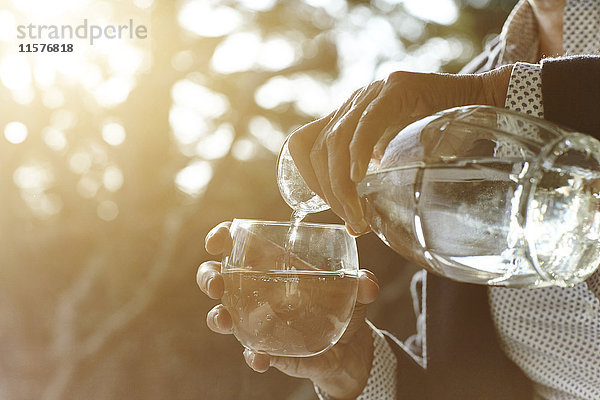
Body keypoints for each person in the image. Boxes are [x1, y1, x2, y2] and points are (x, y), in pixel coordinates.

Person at [198, 0, 600, 398]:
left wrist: (497, 94)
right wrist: (351, 366)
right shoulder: (456, 100)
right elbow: (468, 380)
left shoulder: (470, 94)